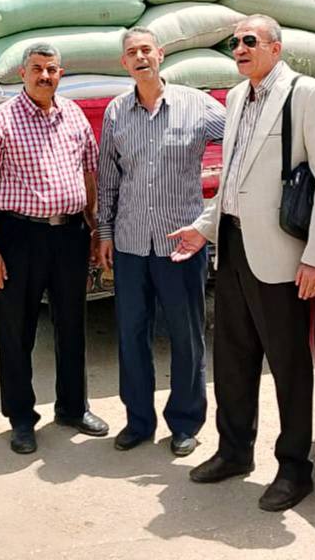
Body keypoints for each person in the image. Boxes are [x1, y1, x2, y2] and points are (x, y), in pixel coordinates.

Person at [169, 15, 315, 513]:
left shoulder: (305, 94)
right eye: (235, 42)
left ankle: (294, 468)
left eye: (250, 40)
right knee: (232, 358)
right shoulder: (234, 98)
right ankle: (233, 452)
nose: (240, 48)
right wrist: (204, 227)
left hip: (283, 254)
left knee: (288, 366)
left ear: (275, 47)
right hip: (233, 245)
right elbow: (232, 179)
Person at [0, 43, 108, 454]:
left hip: (69, 235)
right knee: (17, 330)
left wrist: (94, 228)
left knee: (72, 325)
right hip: (19, 236)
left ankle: (73, 408)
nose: (44, 76)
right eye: (37, 69)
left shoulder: (74, 115)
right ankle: (22, 419)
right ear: (22, 74)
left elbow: (89, 173)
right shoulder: (0, 122)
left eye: (51, 69)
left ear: (61, 73)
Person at [96, 28, 225, 457]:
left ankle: (185, 423)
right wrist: (105, 232)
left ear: (161, 54)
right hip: (131, 243)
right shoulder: (116, 112)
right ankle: (138, 421)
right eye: (132, 52)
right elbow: (108, 178)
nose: (140, 57)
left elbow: (242, 140)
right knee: (132, 335)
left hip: (181, 243)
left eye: (146, 50)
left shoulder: (196, 104)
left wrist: (213, 215)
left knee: (187, 335)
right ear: (124, 63)